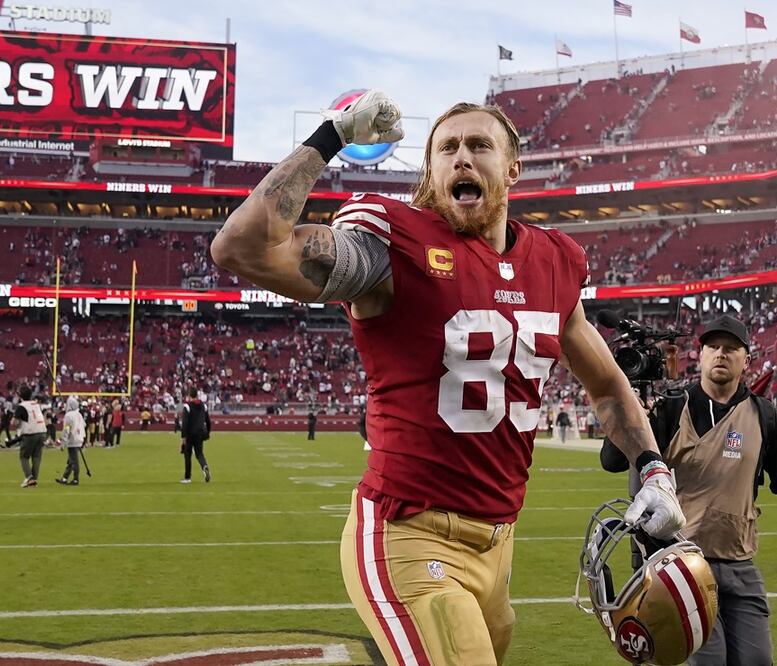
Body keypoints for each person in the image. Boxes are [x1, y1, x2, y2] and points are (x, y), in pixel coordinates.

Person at [210, 91, 686, 665]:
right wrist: (331, 137)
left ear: (512, 167)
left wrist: (655, 472)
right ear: (430, 172)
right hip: (410, 535)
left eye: (479, 145)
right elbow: (241, 248)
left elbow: (608, 389)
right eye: (447, 148)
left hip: (499, 546)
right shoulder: (392, 245)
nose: (462, 157)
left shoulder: (554, 261)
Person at [601, 315, 776, 666]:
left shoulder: (763, 416)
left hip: (740, 562)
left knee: (757, 659)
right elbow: (612, 461)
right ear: (701, 355)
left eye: (730, 348)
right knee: (709, 661)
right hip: (684, 567)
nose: (720, 354)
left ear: (747, 358)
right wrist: (630, 412)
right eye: (713, 347)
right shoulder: (671, 407)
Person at [11, 385, 47, 488]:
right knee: (36, 457)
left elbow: (15, 422)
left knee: (24, 456)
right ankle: (34, 479)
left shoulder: (22, 406)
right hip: (42, 431)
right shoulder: (36, 404)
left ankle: (29, 478)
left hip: (30, 433)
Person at [180, 388, 211, 483]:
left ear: (189, 395)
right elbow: (208, 421)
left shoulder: (187, 407)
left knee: (187, 455)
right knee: (199, 454)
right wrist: (208, 432)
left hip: (190, 434)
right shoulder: (203, 406)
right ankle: (204, 467)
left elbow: (184, 424)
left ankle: (187, 477)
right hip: (200, 433)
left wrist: (183, 438)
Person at [56, 396, 86, 486]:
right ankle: (64, 478)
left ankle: (75, 479)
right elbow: (84, 425)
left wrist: (63, 443)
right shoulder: (79, 414)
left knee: (74, 461)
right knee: (71, 460)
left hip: (73, 440)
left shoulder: (68, 415)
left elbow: (66, 430)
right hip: (79, 438)